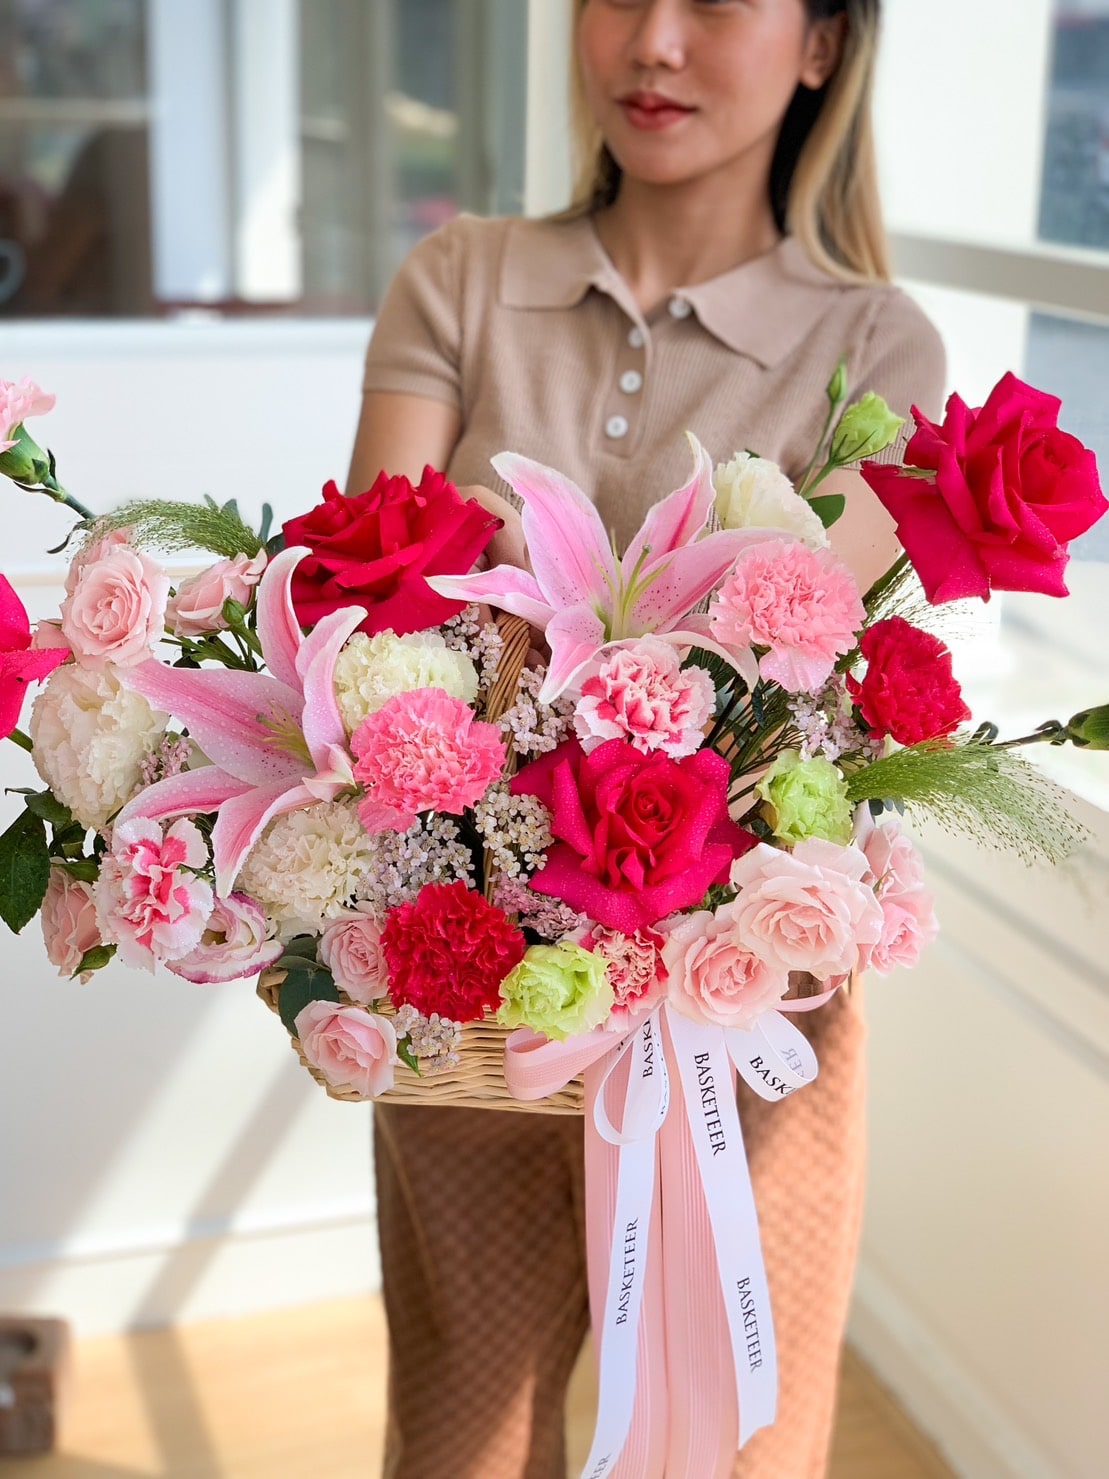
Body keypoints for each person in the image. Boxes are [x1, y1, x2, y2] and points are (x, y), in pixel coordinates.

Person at [346, 3, 945, 1476]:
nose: (651, 43)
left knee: (729, 1445)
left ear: (818, 43)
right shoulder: (463, 277)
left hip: (740, 1012)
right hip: (476, 999)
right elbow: (374, 620)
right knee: (457, 1444)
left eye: (716, 2)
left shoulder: (876, 344)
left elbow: (809, 694)